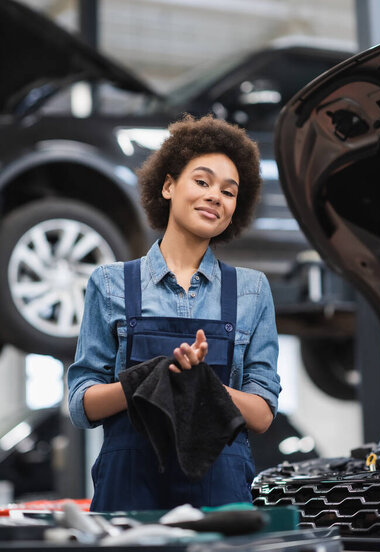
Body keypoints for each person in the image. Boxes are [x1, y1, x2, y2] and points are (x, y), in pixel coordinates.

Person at [68, 114, 281, 511]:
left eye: (229, 191)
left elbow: (262, 413)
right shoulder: (111, 283)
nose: (215, 196)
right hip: (129, 486)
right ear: (168, 186)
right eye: (202, 181)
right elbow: (82, 404)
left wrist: (201, 384)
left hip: (220, 489)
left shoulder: (252, 290)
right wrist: (150, 378)